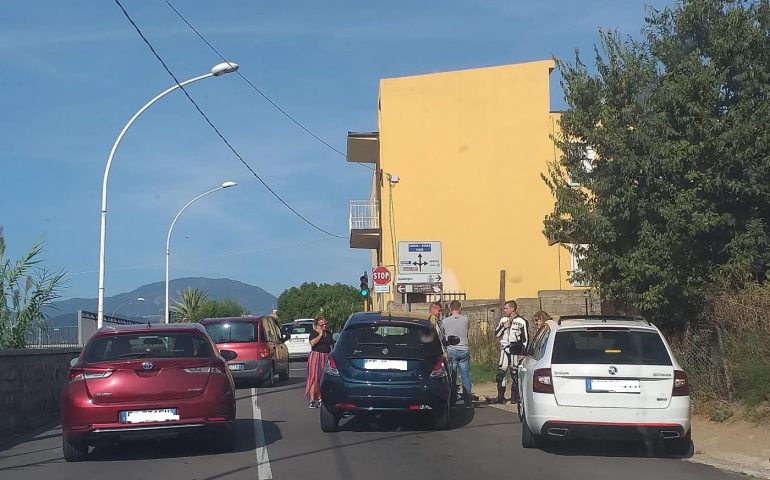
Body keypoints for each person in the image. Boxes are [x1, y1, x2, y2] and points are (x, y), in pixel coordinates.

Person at [494, 300, 529, 404]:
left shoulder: (522, 321)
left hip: (515, 349)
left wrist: (523, 353)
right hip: (504, 349)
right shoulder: (503, 320)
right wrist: (503, 327)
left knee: (515, 372)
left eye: (506, 308)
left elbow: (525, 339)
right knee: (501, 373)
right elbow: (496, 334)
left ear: (512, 309)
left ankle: (515, 398)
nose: (504, 310)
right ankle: (501, 397)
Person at [442, 300, 472, 407]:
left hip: (452, 350)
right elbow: (467, 329)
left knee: (452, 375)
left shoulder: (445, 321)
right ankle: (468, 401)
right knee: (465, 375)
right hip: (464, 349)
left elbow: (442, 335)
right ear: (460, 308)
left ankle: (453, 400)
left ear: (450, 309)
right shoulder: (466, 319)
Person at [305, 315, 334, 408]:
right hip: (316, 355)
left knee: (323, 377)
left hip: (326, 355)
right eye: (322, 324)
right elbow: (312, 343)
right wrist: (320, 334)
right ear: (317, 325)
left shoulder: (329, 333)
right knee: (314, 377)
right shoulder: (314, 333)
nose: (325, 326)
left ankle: (321, 397)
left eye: (325, 324)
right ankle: (312, 400)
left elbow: (332, 345)